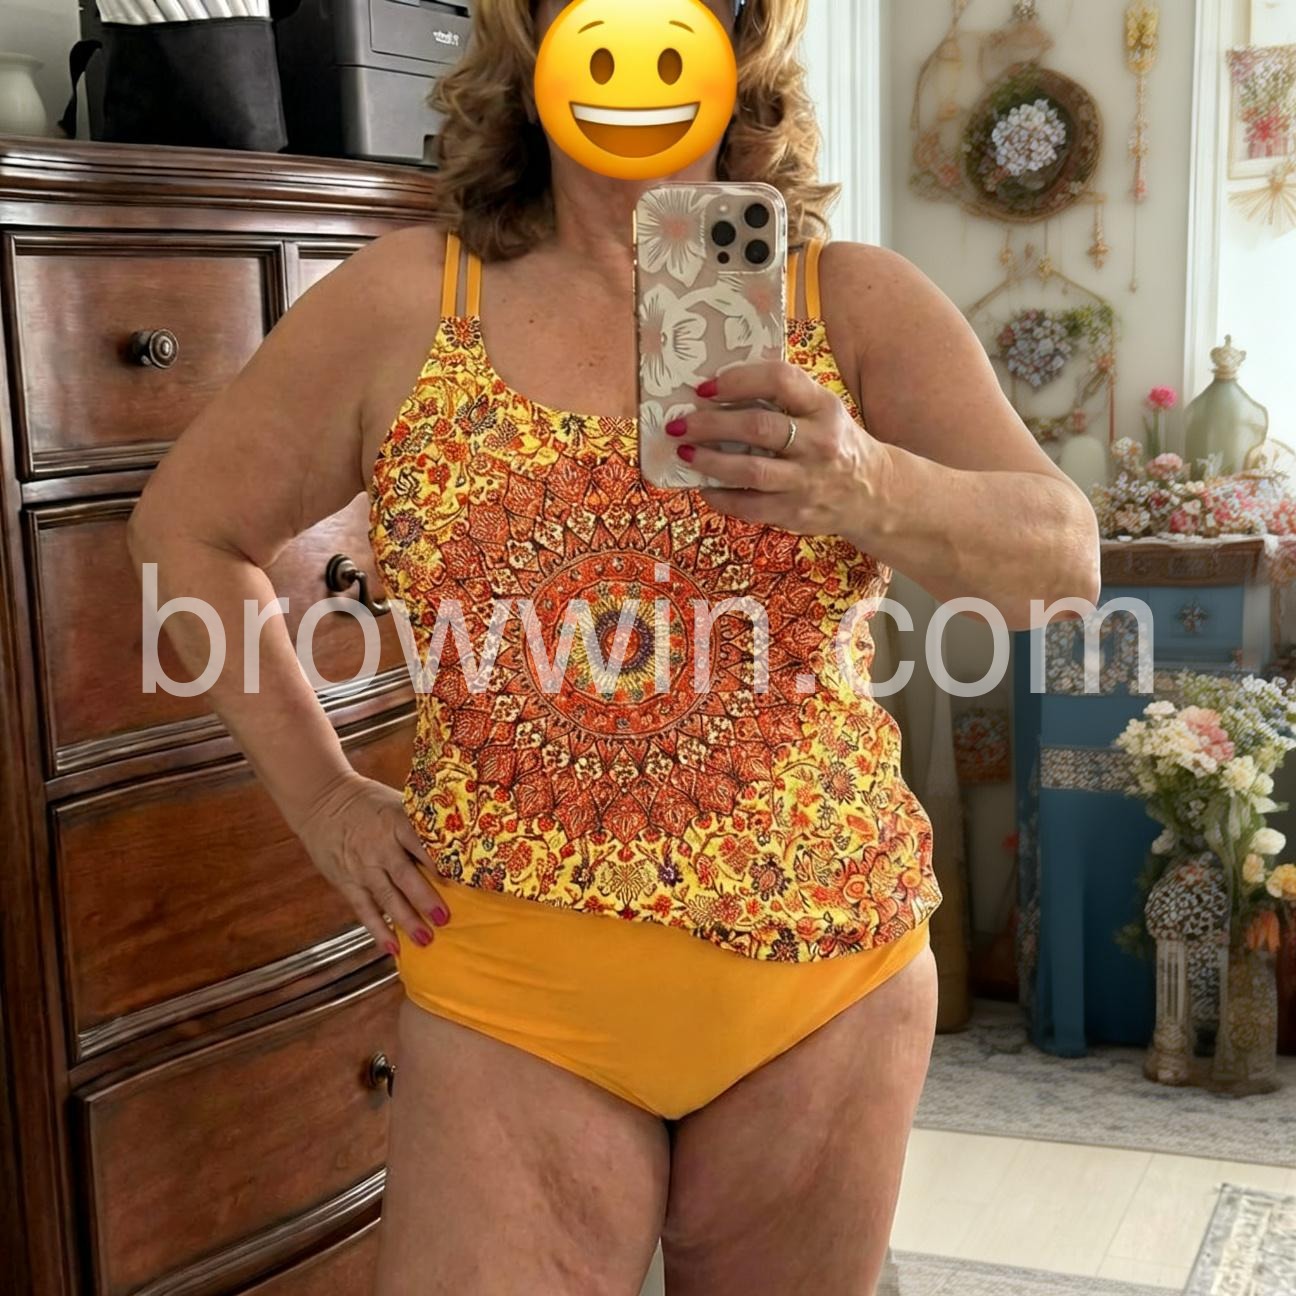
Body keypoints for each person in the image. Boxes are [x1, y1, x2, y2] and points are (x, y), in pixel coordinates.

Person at [127, 0, 1100, 1291]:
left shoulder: (849, 302)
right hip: (511, 996)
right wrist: (325, 801)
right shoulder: (406, 302)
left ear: (738, 37)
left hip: (824, 983)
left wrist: (868, 485)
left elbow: (1063, 570)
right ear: (533, 31)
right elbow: (185, 532)